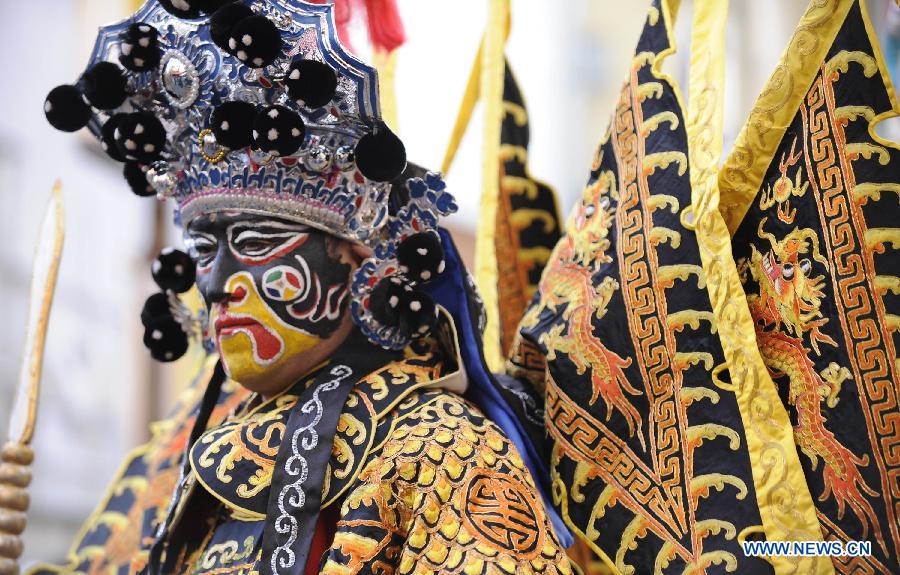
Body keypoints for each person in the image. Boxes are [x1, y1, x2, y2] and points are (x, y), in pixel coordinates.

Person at [18, 0, 574, 573]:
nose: (215, 285)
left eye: (257, 245)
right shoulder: (189, 443)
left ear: (357, 261)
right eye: (205, 252)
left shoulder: (442, 450)